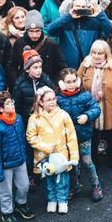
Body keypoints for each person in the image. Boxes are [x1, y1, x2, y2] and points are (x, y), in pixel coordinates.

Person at [76, 40, 112, 172]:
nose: (96, 56)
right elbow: (77, 83)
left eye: (100, 53)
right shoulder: (85, 65)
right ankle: (93, 160)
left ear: (106, 54)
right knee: (92, 134)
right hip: (90, 106)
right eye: (94, 52)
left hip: (110, 105)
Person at [26, 87, 79, 215]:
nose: (52, 102)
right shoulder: (35, 118)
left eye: (54, 98)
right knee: (49, 179)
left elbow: (71, 137)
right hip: (45, 156)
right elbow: (30, 136)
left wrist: (74, 156)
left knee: (62, 180)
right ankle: (52, 200)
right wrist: (43, 146)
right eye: (48, 100)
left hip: (62, 155)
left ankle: (62, 200)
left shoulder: (63, 115)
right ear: (41, 102)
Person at [0, 91, 32, 222]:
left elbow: (22, 140)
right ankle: (7, 213)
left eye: (11, 101)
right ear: (0, 109)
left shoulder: (18, 118)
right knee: (6, 191)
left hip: (20, 160)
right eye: (8, 103)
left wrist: (25, 157)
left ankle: (20, 204)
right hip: (5, 164)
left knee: (24, 185)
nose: (12, 104)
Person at [57, 68, 103, 202]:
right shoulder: (58, 99)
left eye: (73, 81)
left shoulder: (85, 96)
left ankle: (96, 185)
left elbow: (96, 108)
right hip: (67, 139)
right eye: (67, 82)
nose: (71, 84)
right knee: (72, 164)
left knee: (87, 161)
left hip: (83, 136)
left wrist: (87, 116)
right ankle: (75, 186)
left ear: (77, 81)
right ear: (61, 83)